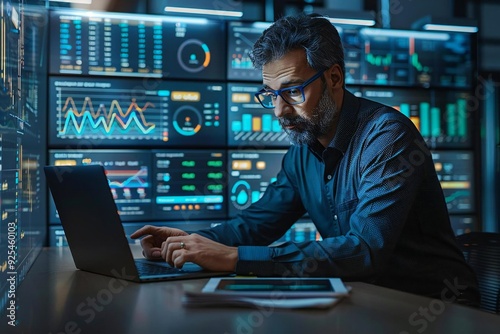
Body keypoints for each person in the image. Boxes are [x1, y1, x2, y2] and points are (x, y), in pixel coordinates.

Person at [131, 12, 480, 306]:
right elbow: (254, 226)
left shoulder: (388, 138)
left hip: (432, 306)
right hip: (366, 299)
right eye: (271, 95)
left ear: (334, 77)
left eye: (293, 91)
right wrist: (188, 241)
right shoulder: (303, 151)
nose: (280, 111)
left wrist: (234, 259)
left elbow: (364, 251)